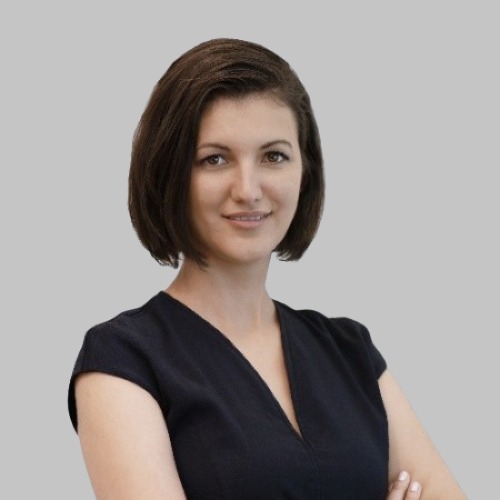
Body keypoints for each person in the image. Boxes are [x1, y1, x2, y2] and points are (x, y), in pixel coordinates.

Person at [68, 38, 466, 499]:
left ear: (305, 171)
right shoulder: (122, 360)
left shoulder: (350, 351)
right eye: (214, 159)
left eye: (274, 156)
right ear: (169, 173)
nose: (248, 189)